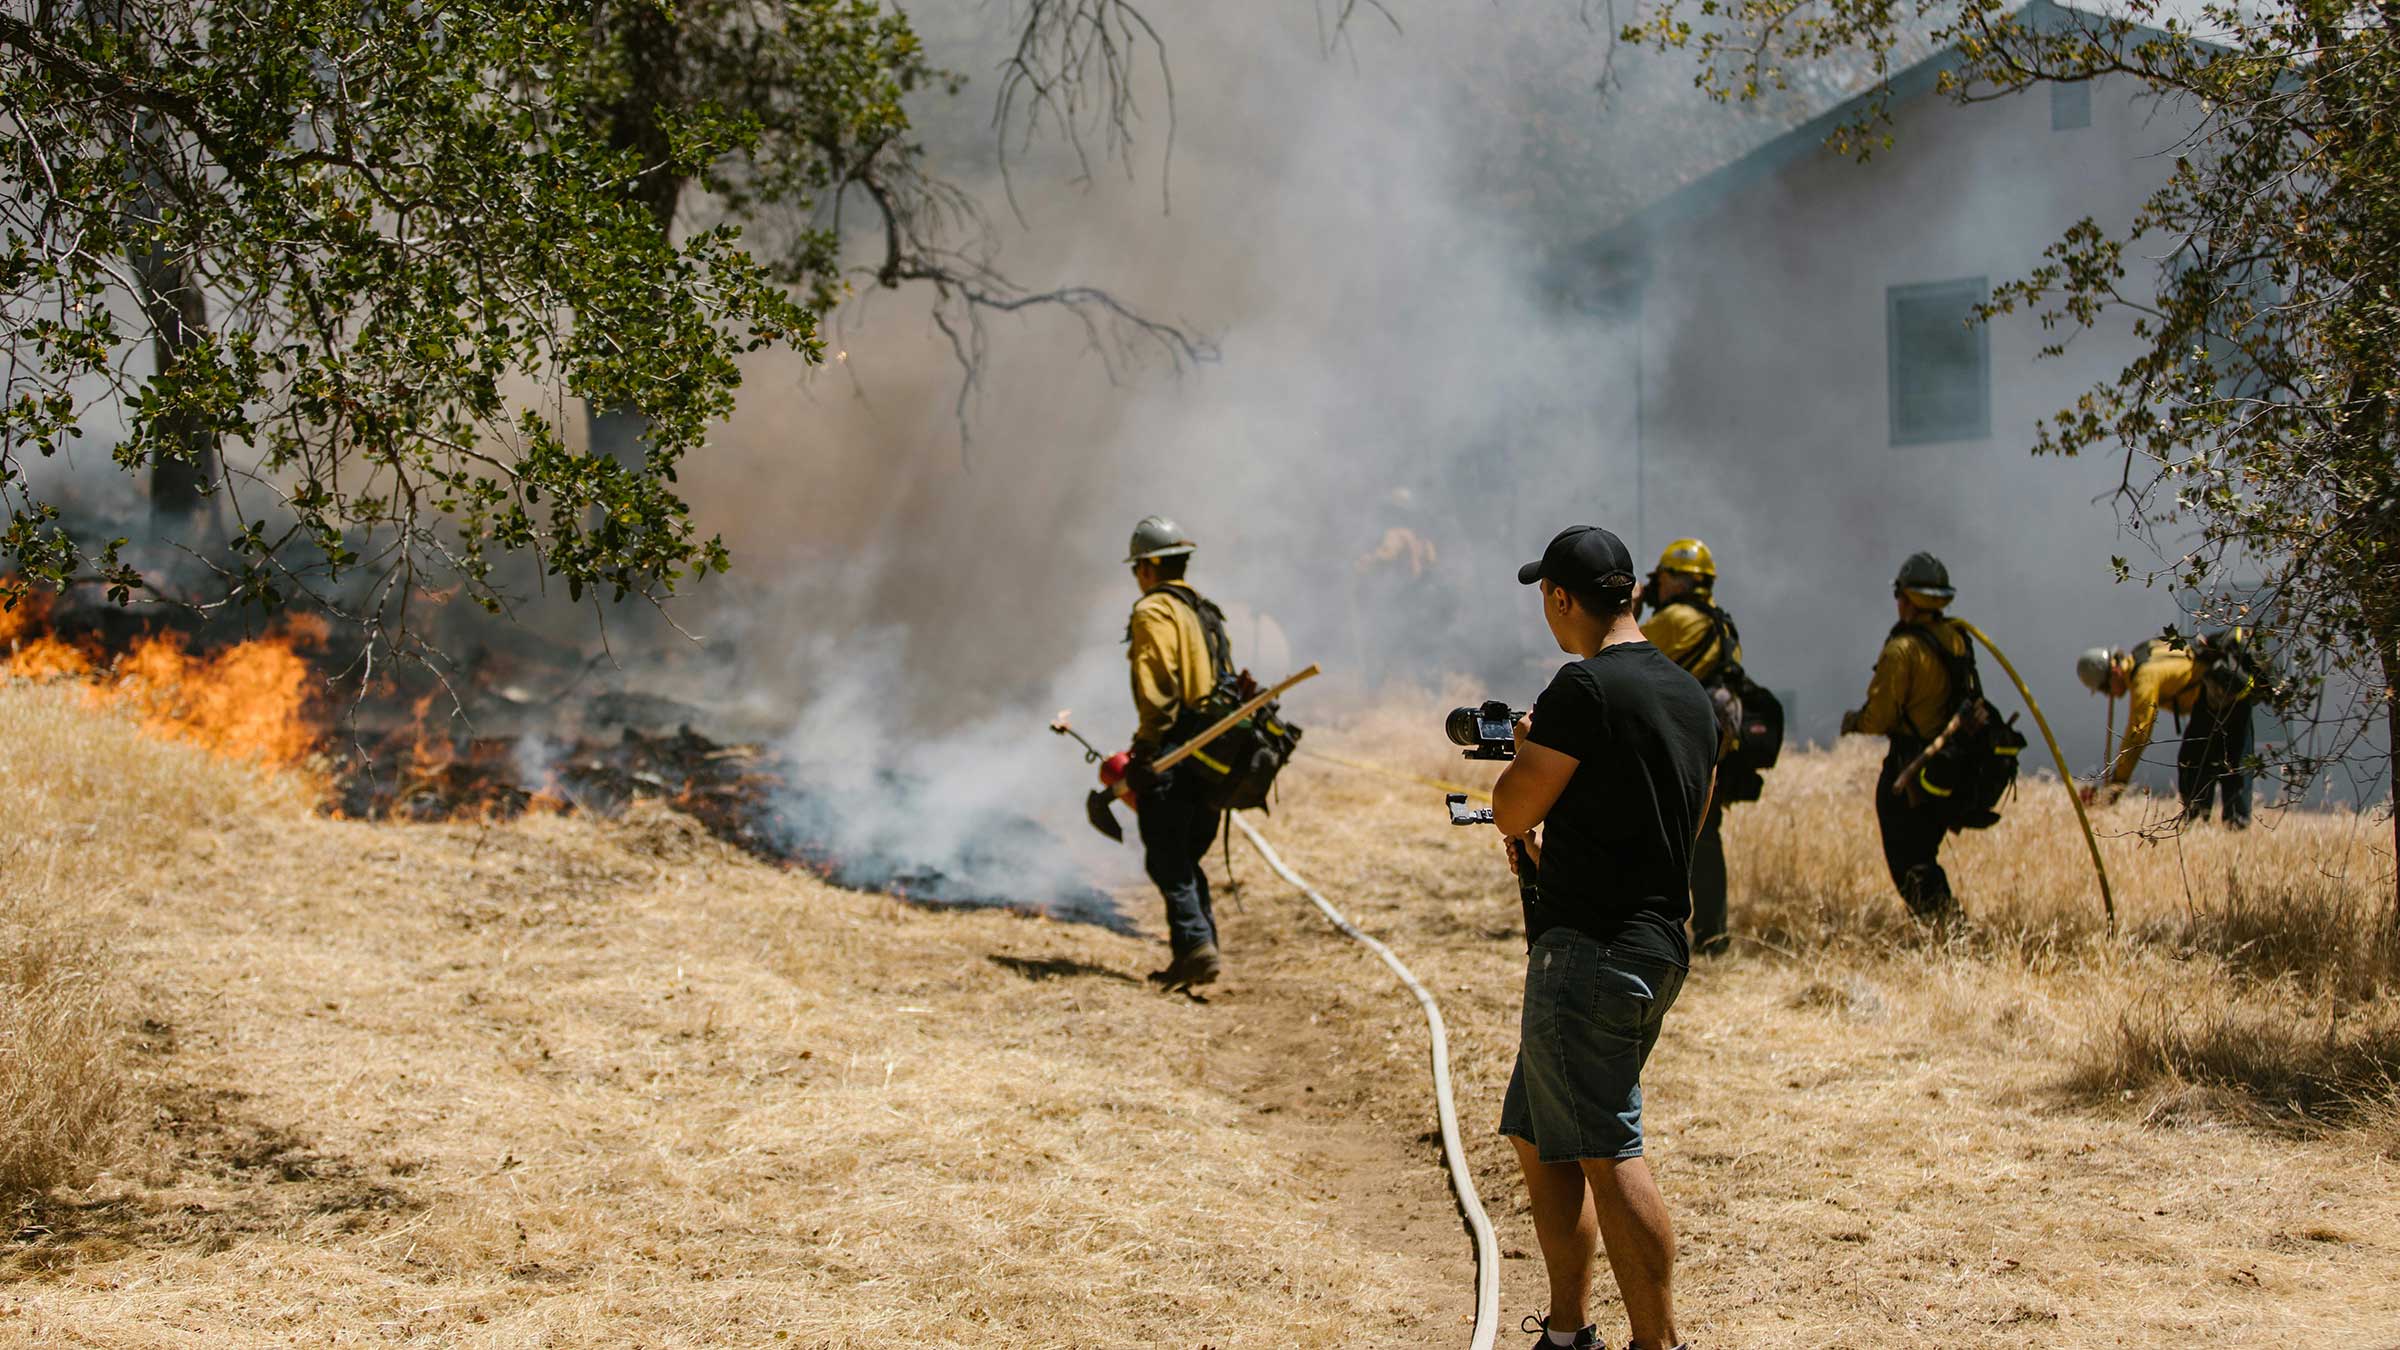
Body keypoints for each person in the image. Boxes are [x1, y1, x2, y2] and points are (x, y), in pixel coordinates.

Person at [1492, 525, 1714, 1350]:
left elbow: (1515, 808)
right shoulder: (1689, 697)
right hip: (1655, 944)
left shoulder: (1579, 689)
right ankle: (1566, 1329)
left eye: (1545, 601)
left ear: (1561, 598)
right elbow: (1680, 821)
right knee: (1537, 1128)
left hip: (1588, 949)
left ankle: (1658, 1343)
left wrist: (1522, 752)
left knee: (1609, 1148)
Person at [1121, 514, 1234, 988]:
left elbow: (1159, 685)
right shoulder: (1203, 611)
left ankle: (1195, 947)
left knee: (1166, 857)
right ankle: (1195, 949)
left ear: (1147, 567)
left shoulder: (1154, 611)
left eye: (1136, 569)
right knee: (1184, 856)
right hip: (1214, 752)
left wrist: (1146, 749)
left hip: (1176, 748)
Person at [1838, 552, 1973, 920]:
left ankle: (1946, 927)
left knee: (1909, 860)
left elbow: (1879, 717)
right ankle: (1946, 927)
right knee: (1924, 851)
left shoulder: (1903, 649)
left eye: (1899, 595)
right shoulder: (1956, 638)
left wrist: (1853, 721)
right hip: (1948, 766)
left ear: (1909, 598)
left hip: (1911, 768)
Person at [1639, 538, 1741, 956]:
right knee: (1705, 839)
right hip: (1710, 750)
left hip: (1674, 748)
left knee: (1657, 837)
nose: (1657, 586)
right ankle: (1713, 932)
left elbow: (1615, 653)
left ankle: (1656, 931)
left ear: (1675, 580)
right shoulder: (1721, 622)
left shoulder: (1675, 619)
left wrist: (1633, 605)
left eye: (1660, 578)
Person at [2075, 637, 2254, 827]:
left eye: (2104, 689)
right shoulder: (2143, 651)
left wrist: (2117, 784)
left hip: (2214, 696)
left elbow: (2138, 735)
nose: (2109, 695)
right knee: (2235, 759)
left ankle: (2198, 821)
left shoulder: (2143, 678)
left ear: (2114, 672)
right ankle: (2235, 824)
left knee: (2192, 762)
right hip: (2233, 688)